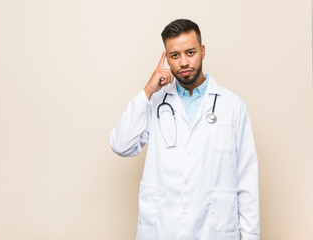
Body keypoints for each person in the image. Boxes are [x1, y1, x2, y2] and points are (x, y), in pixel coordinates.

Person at [110, 19, 260, 240]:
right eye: (175, 55)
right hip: (163, 229)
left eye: (190, 52)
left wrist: (250, 236)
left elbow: (246, 177)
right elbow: (121, 145)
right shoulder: (154, 103)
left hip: (213, 229)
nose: (183, 62)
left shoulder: (233, 106)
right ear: (166, 58)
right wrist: (148, 91)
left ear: (202, 51)